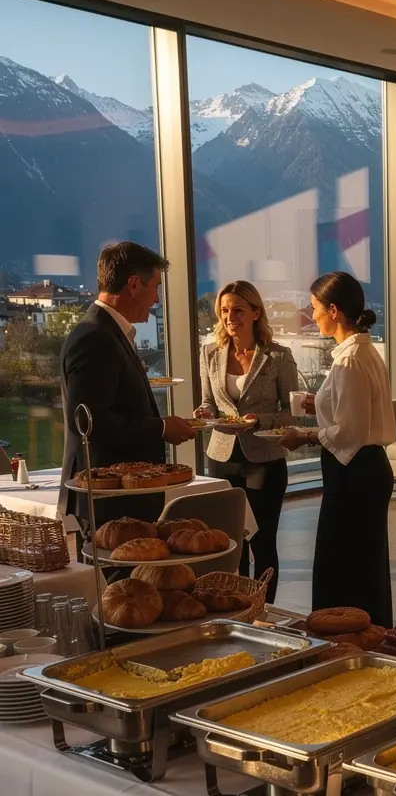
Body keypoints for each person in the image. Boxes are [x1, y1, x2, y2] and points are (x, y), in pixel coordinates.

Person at [277, 272, 396, 626]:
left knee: (340, 562)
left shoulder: (349, 360)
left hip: (354, 473)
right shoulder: (362, 351)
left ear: (332, 310)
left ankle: (343, 635)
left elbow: (351, 431)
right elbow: (358, 411)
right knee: (363, 563)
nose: (311, 316)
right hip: (368, 470)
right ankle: (368, 631)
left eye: (314, 308)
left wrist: (305, 436)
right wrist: (323, 404)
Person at [58, 242, 195, 528]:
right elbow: (86, 421)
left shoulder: (105, 332)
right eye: (155, 286)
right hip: (111, 498)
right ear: (134, 284)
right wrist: (161, 427)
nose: (156, 299)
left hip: (118, 495)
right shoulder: (96, 337)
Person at [195, 281, 299, 603]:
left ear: (256, 313)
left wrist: (261, 421)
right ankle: (235, 609)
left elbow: (290, 413)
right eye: (225, 311)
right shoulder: (210, 353)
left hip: (264, 461)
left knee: (263, 543)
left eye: (238, 310)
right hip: (221, 458)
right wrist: (204, 412)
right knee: (229, 542)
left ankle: (263, 611)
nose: (230, 317)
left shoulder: (279, 356)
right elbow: (210, 402)